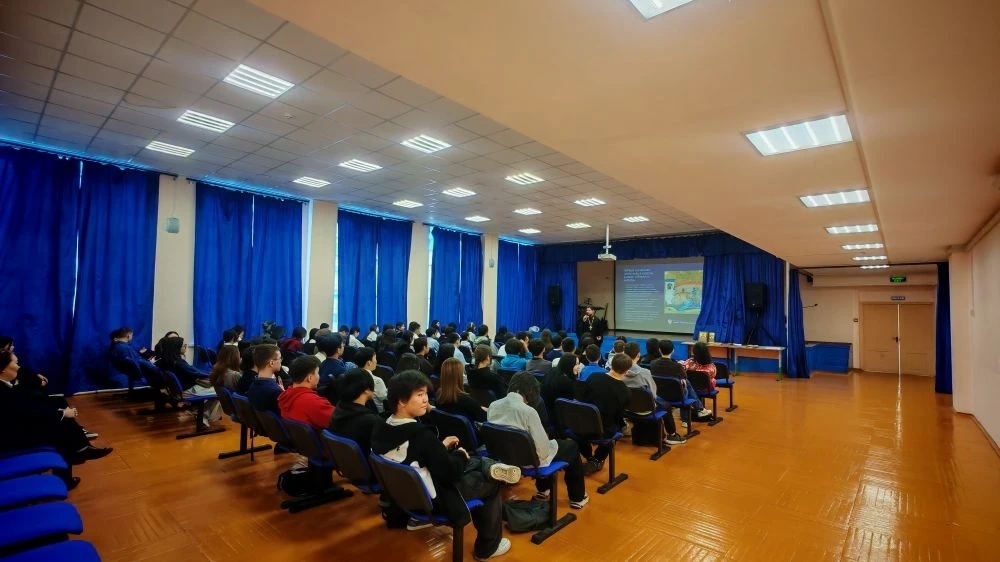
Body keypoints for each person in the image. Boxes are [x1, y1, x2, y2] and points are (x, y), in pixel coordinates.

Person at [371, 371, 517, 560]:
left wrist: (439, 447)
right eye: (419, 394)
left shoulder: (382, 426)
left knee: (471, 461)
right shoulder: (421, 436)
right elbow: (451, 473)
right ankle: (487, 548)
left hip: (406, 496)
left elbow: (413, 455)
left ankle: (487, 466)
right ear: (401, 401)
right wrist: (460, 455)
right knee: (490, 482)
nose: (425, 399)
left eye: (425, 393)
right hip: (436, 500)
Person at [0, 350, 112, 490]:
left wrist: (61, 413)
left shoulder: (5, 384)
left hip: (15, 426)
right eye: (16, 364)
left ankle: (79, 452)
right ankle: (79, 452)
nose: (19, 367)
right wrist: (62, 413)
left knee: (61, 420)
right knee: (61, 431)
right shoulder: (2, 391)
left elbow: (26, 407)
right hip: (10, 438)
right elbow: (25, 411)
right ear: (3, 369)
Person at [488, 371, 589, 509]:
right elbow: (543, 451)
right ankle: (577, 498)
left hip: (506, 457)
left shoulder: (493, 405)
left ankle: (543, 490)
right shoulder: (529, 412)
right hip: (529, 460)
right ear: (531, 391)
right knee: (571, 446)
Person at [621, 342, 686, 445]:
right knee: (666, 405)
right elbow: (653, 394)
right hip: (646, 408)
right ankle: (672, 434)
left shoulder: (617, 371)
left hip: (626, 408)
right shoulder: (645, 372)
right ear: (638, 355)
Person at [576, 354, 632, 473]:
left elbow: (582, 399)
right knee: (618, 428)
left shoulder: (593, 376)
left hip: (581, 424)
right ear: (627, 371)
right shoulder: (625, 392)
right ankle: (598, 458)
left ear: (611, 365)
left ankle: (588, 456)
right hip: (603, 430)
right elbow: (618, 416)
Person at [156, 336, 221, 425]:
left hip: (180, 390)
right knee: (221, 392)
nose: (185, 347)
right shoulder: (178, 363)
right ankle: (202, 416)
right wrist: (215, 374)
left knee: (215, 388)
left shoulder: (166, 361)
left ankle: (199, 411)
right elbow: (196, 373)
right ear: (177, 348)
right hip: (188, 390)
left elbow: (193, 371)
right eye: (183, 345)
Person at [647, 341, 712, 425]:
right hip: (676, 396)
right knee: (685, 384)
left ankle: (700, 410)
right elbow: (684, 378)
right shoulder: (677, 366)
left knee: (684, 384)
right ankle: (689, 417)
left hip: (659, 395)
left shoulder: (653, 364)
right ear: (673, 350)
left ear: (659, 350)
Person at [328, 369, 381, 455]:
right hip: (363, 462)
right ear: (367, 390)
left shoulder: (339, 407)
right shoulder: (369, 420)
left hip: (342, 459)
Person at [278, 356, 335, 432]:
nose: (319, 376)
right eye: (317, 373)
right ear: (310, 378)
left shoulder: (285, 395)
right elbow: (339, 422)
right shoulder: (314, 402)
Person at [436, 358, 486, 422]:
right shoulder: (465, 400)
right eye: (462, 372)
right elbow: (483, 418)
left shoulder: (438, 394)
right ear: (459, 375)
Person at [541, 353, 580, 422]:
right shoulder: (566, 382)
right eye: (576, 364)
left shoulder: (552, 370)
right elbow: (571, 404)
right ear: (569, 365)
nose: (578, 367)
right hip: (558, 417)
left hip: (546, 413)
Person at [247, 344, 284, 414]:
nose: (281, 360)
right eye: (280, 358)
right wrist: (284, 394)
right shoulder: (276, 391)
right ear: (271, 363)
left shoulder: (252, 384)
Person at [354, 348, 388, 412]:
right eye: (375, 358)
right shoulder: (377, 381)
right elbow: (385, 398)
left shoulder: (351, 376)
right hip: (378, 413)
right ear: (369, 362)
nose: (376, 361)